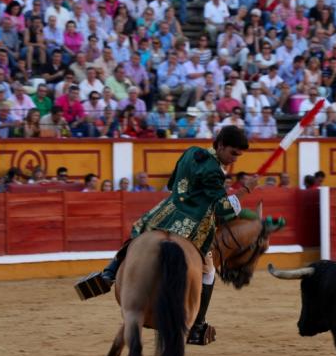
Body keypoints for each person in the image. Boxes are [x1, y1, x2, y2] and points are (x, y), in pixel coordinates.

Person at [98, 126, 259, 344]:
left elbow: (172, 183)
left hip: (167, 211)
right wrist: (244, 190)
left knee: (140, 231)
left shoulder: (191, 151)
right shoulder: (214, 171)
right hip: (192, 225)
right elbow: (222, 209)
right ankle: (198, 326)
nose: (234, 161)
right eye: (232, 154)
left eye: (238, 156)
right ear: (220, 145)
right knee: (209, 271)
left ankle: (109, 271)